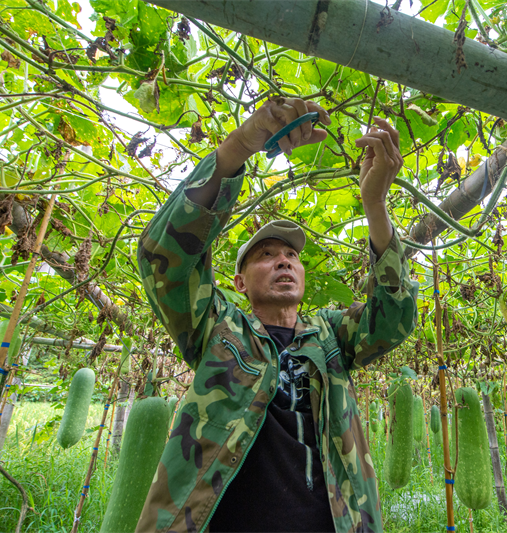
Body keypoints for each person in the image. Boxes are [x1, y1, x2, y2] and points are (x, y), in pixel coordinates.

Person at [135, 97, 419, 533]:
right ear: (240, 283)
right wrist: (242, 144)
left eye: (291, 255)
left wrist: (375, 206)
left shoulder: (330, 336)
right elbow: (164, 255)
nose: (284, 261)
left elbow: (393, 317)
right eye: (266, 255)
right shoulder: (218, 327)